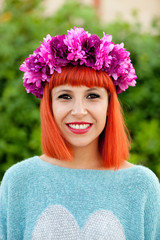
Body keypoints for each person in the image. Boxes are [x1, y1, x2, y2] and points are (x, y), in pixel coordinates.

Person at [0, 27, 160, 240]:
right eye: (65, 96)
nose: (78, 111)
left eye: (92, 96)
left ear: (109, 105)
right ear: (49, 105)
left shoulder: (142, 186)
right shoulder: (19, 181)